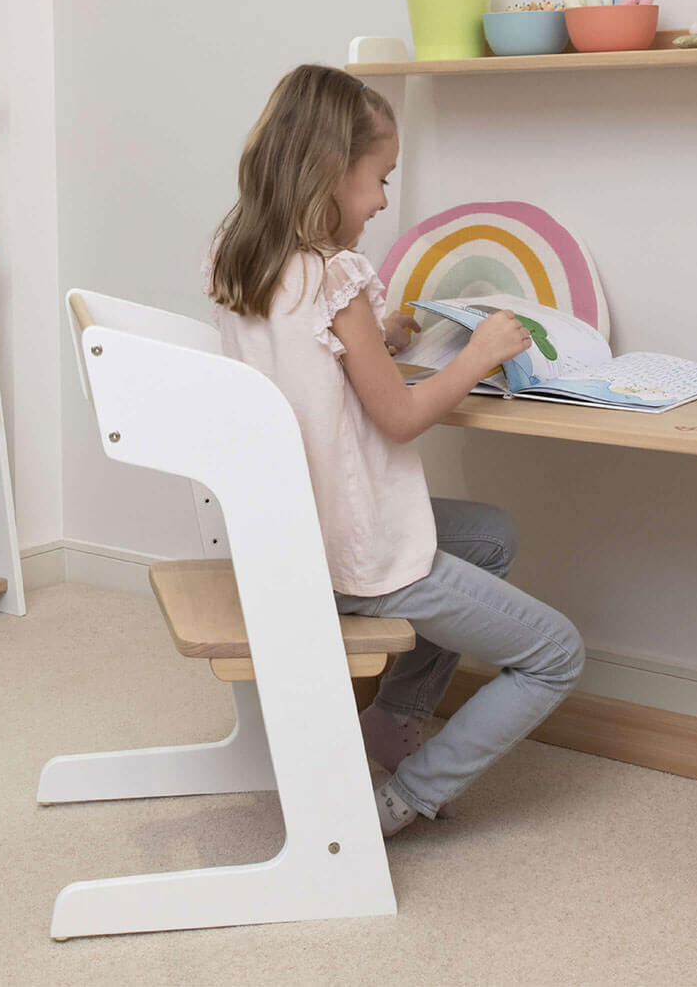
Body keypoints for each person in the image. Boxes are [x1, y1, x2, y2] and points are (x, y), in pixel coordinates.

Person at [204, 63, 586, 836]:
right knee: (555, 652)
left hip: (290, 539)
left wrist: (377, 338)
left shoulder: (245, 257)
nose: (382, 200)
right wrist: (476, 355)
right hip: (357, 556)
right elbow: (402, 416)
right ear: (328, 171)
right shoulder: (336, 275)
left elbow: (302, 360)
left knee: (493, 534)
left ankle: (394, 717)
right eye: (378, 178)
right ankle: (403, 798)